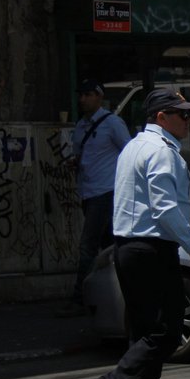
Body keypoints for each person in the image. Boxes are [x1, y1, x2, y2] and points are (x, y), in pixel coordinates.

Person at [76, 88, 190, 379]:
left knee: (145, 332)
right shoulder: (161, 152)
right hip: (150, 250)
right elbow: (164, 209)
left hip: (130, 248)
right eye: (182, 114)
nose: (188, 120)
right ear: (162, 117)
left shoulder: (134, 146)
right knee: (164, 333)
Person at [57, 79, 131, 318]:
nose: (83, 99)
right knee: (109, 245)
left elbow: (129, 153)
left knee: (88, 244)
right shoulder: (80, 126)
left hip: (106, 192)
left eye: (88, 95)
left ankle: (79, 298)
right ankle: (116, 294)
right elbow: (82, 154)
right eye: (81, 95)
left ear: (99, 97)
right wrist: (75, 163)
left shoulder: (112, 123)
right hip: (88, 191)